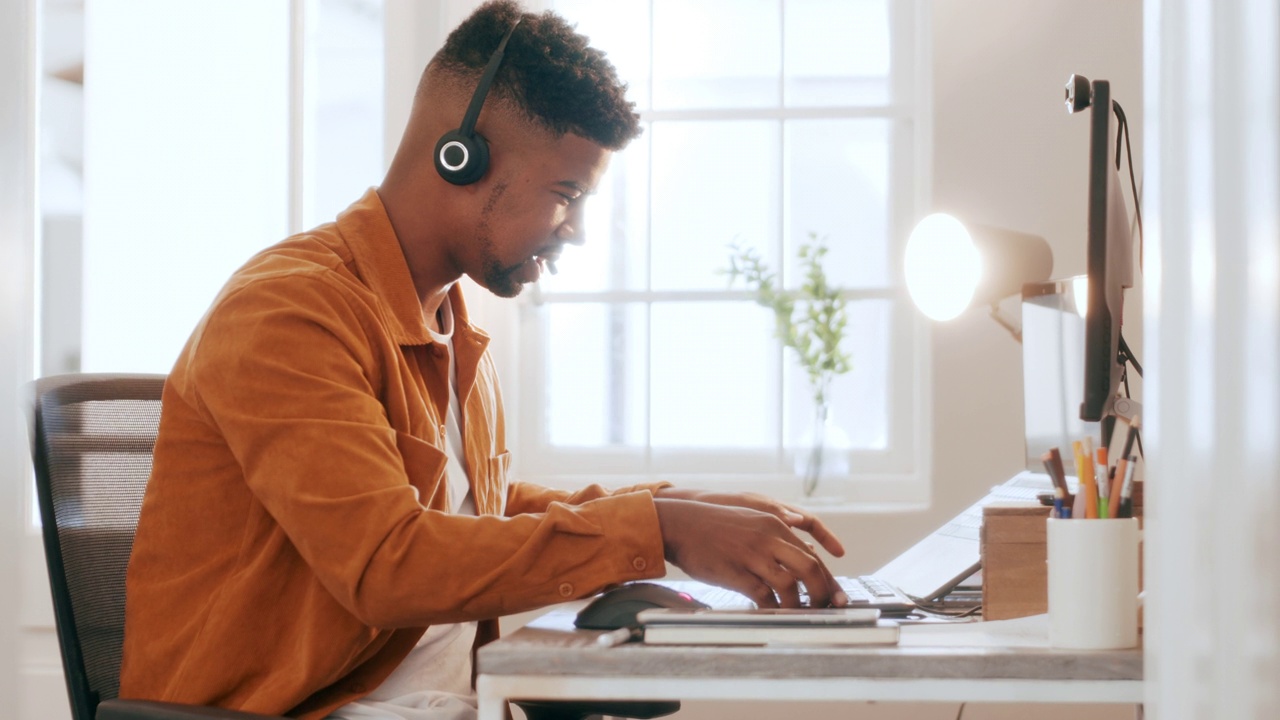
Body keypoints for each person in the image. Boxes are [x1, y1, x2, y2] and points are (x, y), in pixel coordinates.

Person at [118, 2, 847, 719]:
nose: (577, 232)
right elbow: (387, 563)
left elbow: (473, 518)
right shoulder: (288, 312)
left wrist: (676, 508)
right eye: (566, 194)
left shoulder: (449, 328)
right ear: (459, 155)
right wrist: (658, 528)